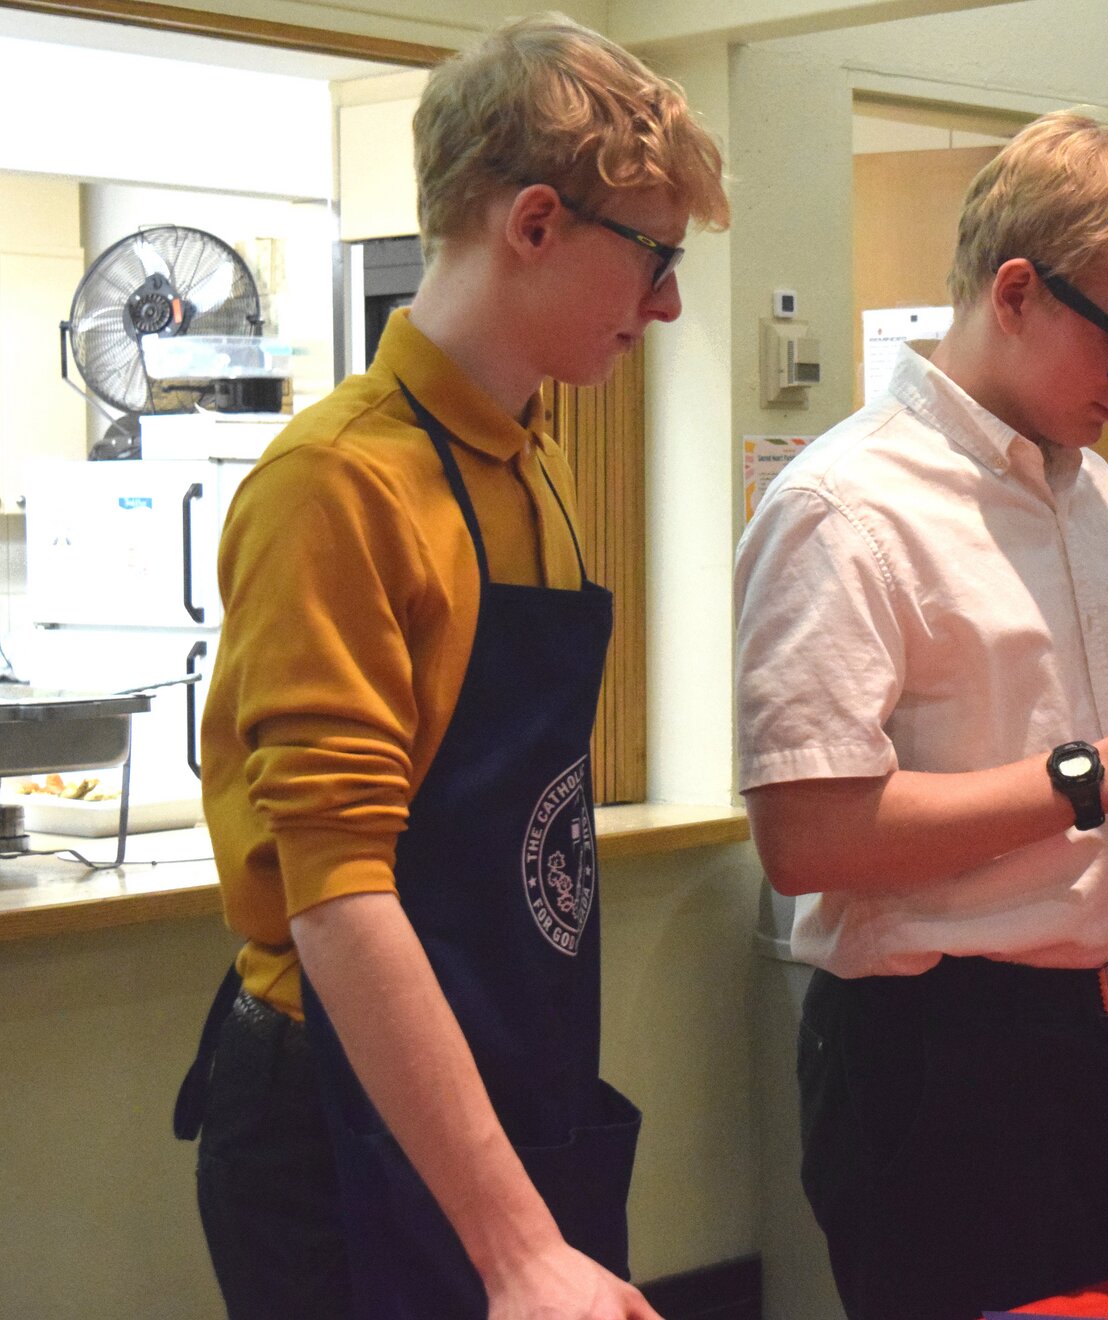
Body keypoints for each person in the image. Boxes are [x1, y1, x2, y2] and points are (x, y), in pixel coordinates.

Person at [172, 16, 728, 1318]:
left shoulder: (539, 462)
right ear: (534, 223)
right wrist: (517, 1248)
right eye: (655, 257)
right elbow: (339, 899)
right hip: (335, 1114)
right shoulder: (336, 484)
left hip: (511, 1077)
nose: (668, 305)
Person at [734, 110, 1108, 1320]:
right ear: (1017, 292)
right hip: (939, 1070)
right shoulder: (841, 508)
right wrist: (1088, 778)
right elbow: (806, 839)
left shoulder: (1087, 483)